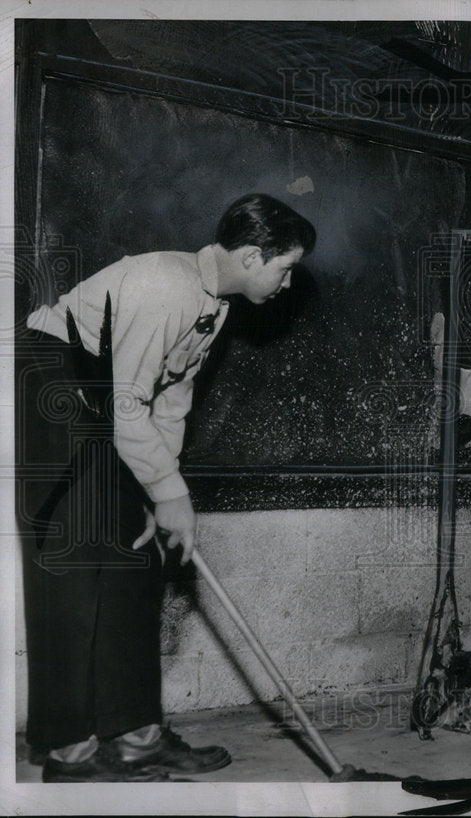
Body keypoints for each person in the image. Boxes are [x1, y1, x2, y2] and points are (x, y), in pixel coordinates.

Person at [16, 193, 316, 782]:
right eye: (285, 270)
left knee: (135, 561)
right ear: (254, 257)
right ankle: (70, 754)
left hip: (109, 404)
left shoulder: (214, 304)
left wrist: (161, 491)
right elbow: (131, 405)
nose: (286, 285)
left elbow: (169, 402)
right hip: (55, 386)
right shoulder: (165, 286)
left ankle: (136, 737)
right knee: (73, 569)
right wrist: (172, 494)